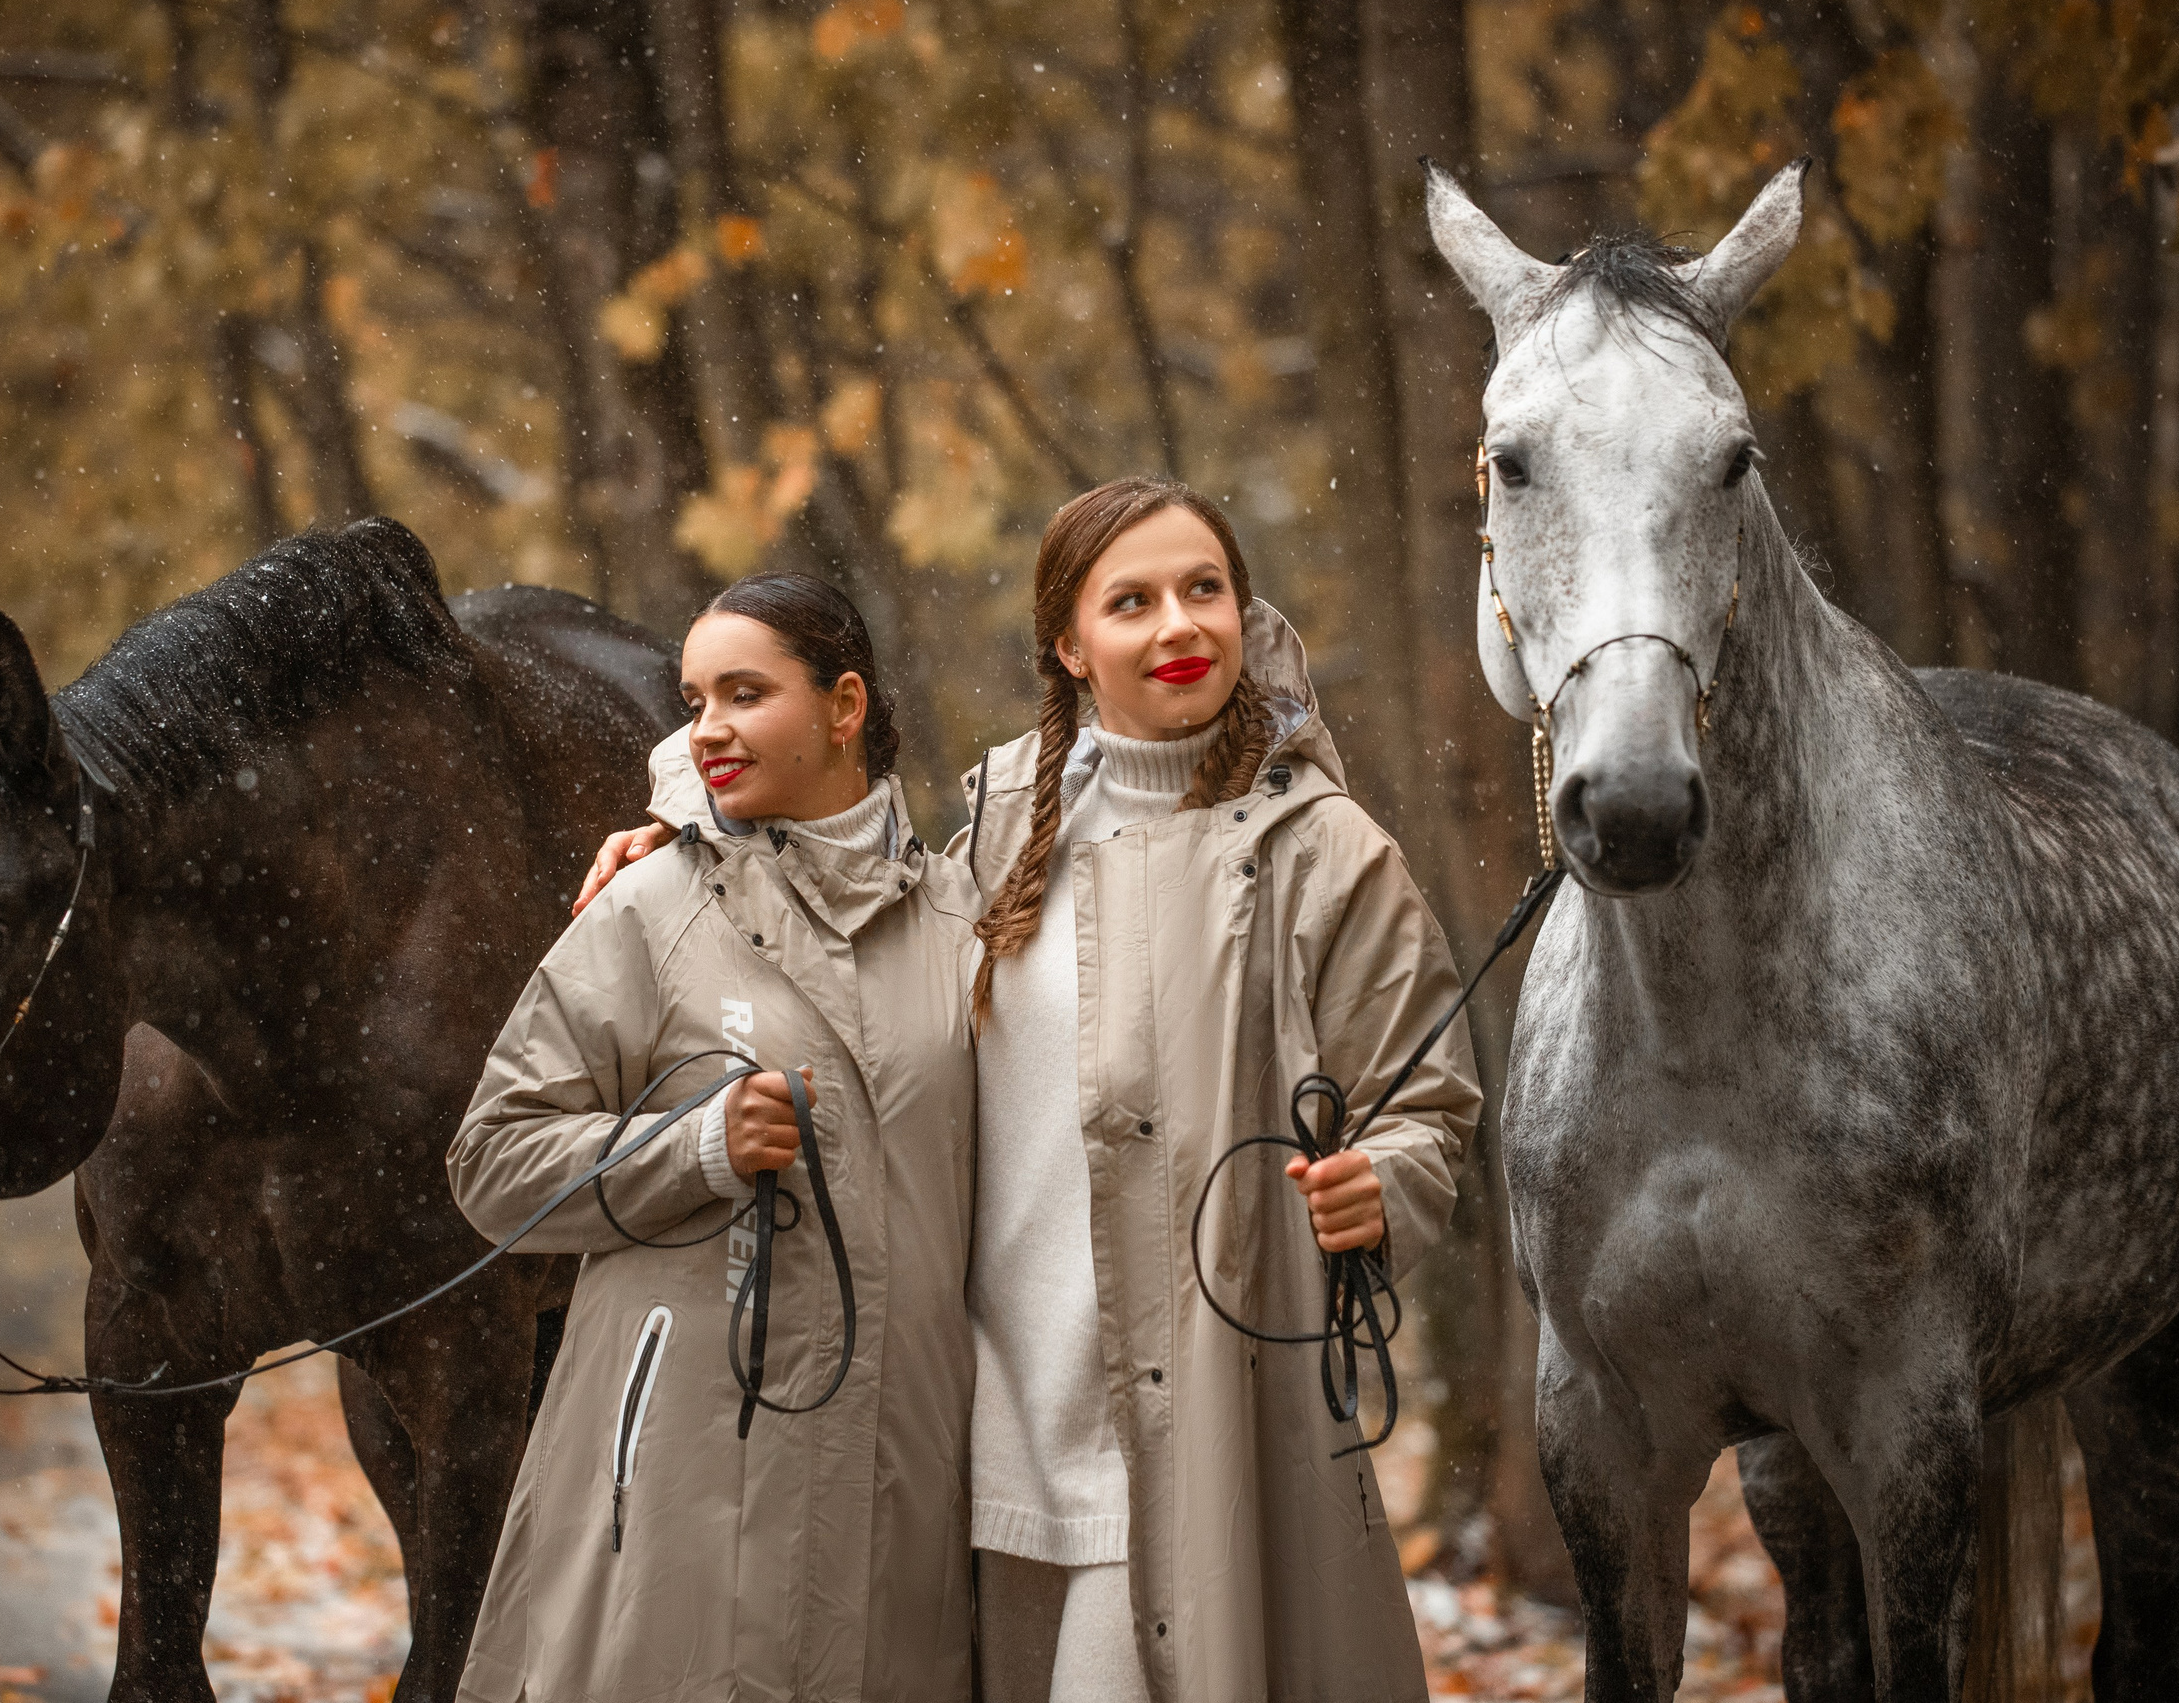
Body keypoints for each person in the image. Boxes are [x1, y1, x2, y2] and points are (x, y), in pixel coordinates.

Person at [577, 479, 1477, 1703]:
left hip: (1190, 1418)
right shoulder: (1004, 827)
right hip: (982, 1423)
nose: (1178, 626)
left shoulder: (1323, 849)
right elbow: (851, 930)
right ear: (1068, 642)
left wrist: (1390, 1177)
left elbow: (1425, 1097)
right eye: (1134, 600)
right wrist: (681, 838)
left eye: (1204, 589)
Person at [450, 572, 981, 1703]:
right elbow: (494, 1161)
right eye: (696, 699)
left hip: (906, 1475)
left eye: (746, 692)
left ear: (845, 705)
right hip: (677, 1465)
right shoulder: (652, 905)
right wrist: (690, 1148)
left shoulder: (965, 923)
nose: (709, 728)